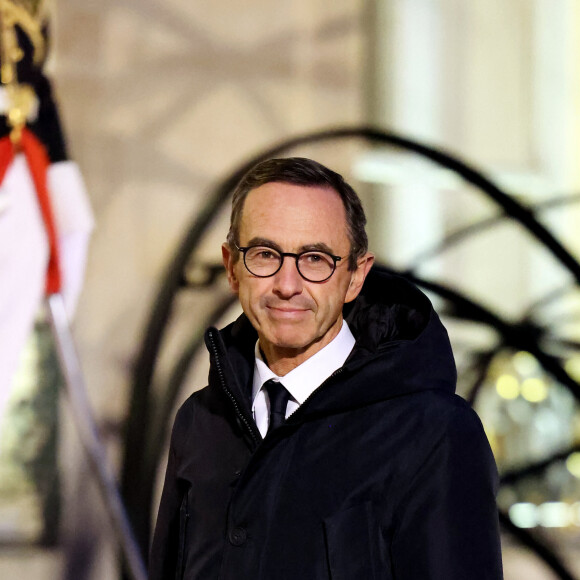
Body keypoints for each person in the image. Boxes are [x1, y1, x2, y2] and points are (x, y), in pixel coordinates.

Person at [149, 157, 503, 579]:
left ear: (355, 275)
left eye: (315, 259)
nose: (287, 284)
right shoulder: (200, 420)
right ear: (231, 267)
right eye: (264, 254)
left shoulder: (434, 433)